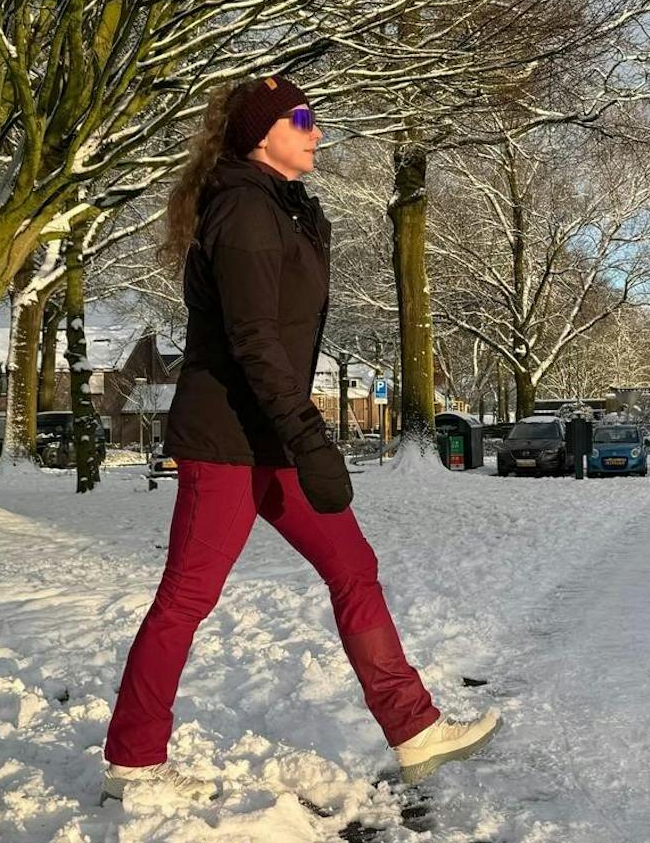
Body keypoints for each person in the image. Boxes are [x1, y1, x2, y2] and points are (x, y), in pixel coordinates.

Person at [101, 74, 499, 804]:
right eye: (303, 118)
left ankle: (415, 729)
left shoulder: (276, 208)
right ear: (263, 133)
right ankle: (133, 761)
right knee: (186, 599)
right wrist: (310, 438)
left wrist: (296, 440)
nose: (318, 131)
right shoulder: (245, 210)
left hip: (270, 437)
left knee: (354, 567)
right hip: (227, 441)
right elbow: (256, 342)